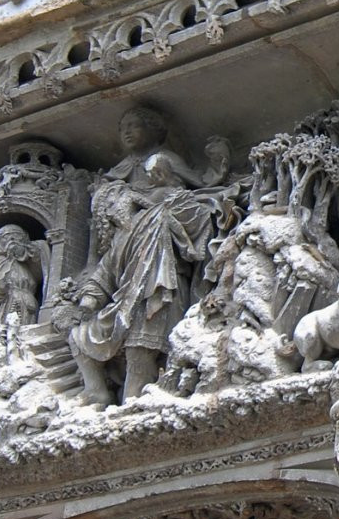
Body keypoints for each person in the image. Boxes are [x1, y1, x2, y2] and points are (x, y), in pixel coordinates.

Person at [67, 107, 232, 404]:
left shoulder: (167, 204)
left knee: (142, 341)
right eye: (123, 127)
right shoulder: (128, 226)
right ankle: (98, 392)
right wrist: (90, 294)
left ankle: (133, 397)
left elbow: (203, 188)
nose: (128, 132)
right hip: (126, 289)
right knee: (80, 337)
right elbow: (107, 260)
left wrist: (218, 160)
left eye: (135, 126)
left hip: (160, 284)